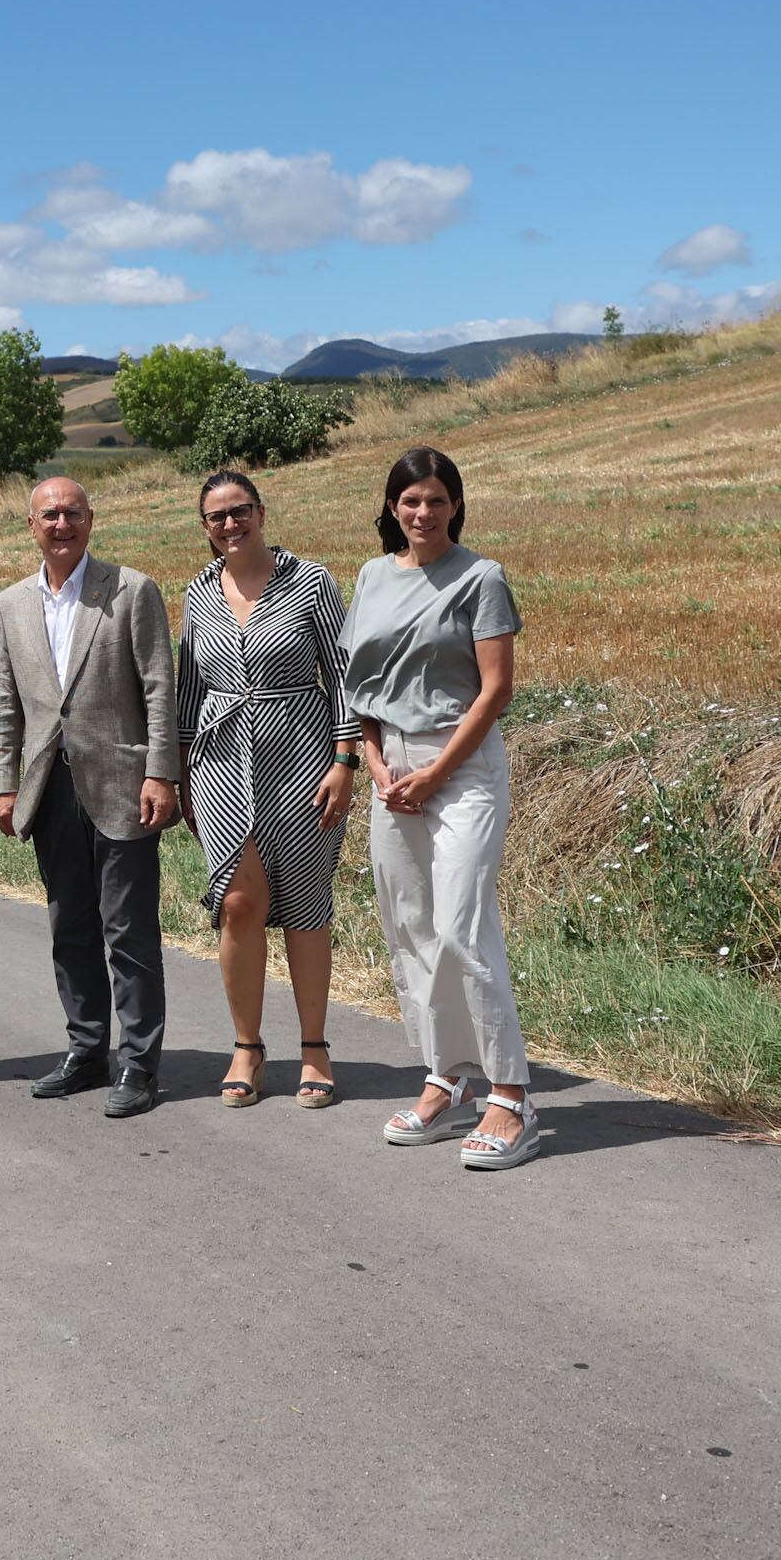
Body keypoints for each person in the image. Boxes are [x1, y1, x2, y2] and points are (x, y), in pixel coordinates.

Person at [343, 446, 539, 1169]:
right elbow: (357, 681)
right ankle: (445, 1076)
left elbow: (495, 691)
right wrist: (373, 762)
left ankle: (510, 1094)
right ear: (391, 508)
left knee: (462, 926)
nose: (421, 513)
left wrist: (433, 774)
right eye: (409, 501)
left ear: (455, 503)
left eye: (434, 499)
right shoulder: (370, 575)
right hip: (389, 765)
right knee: (414, 929)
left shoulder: (481, 578)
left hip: (460, 767)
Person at [0, 474, 182, 1118]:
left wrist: (161, 772)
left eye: (72, 513)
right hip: (49, 786)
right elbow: (2, 702)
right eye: (49, 516)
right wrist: (3, 781)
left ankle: (140, 1064)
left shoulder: (130, 590)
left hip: (123, 784)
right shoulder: (10, 605)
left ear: (90, 520)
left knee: (128, 931)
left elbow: (159, 687)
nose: (61, 525)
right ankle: (86, 1049)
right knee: (69, 926)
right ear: (31, 526)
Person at [175, 470, 359, 1109]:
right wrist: (177, 769)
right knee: (237, 905)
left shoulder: (311, 582)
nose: (230, 524)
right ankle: (247, 1048)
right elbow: (188, 691)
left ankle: (315, 1048)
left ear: (261, 511)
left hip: (303, 758)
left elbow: (342, 675)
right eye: (217, 516)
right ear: (204, 527)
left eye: (240, 511)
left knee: (306, 906)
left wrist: (345, 759)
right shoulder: (198, 592)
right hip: (221, 760)